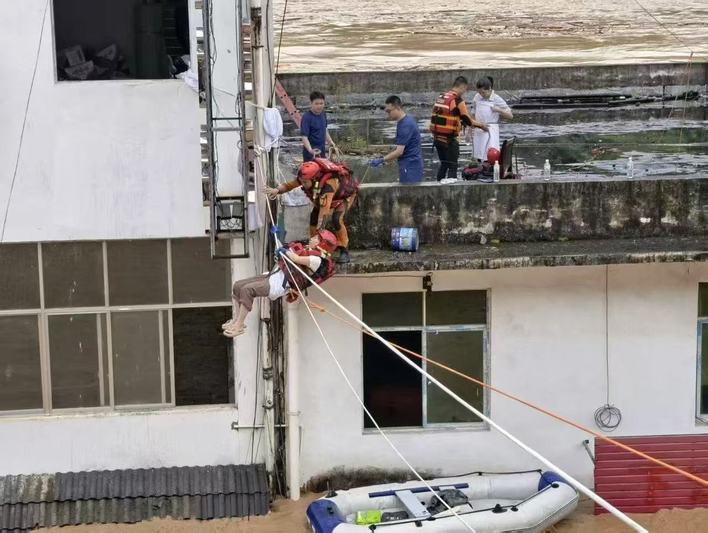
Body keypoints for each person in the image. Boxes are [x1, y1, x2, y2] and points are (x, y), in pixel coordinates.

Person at [222, 230, 337, 338]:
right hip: (274, 275)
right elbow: (289, 252)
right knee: (237, 285)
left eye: (316, 238)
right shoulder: (307, 249)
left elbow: (295, 258)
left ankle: (239, 326)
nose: (312, 238)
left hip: (280, 284)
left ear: (321, 244)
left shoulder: (317, 260)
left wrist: (284, 251)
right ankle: (236, 320)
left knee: (247, 290)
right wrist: (278, 239)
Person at [265, 158, 358, 264]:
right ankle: (314, 247)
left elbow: (323, 214)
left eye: (305, 182)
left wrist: (319, 234)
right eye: (301, 181)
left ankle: (344, 250)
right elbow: (290, 185)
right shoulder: (305, 179)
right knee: (313, 217)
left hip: (343, 198)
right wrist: (277, 190)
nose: (302, 184)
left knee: (336, 219)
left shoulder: (328, 186)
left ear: (314, 179)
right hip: (323, 199)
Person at [430, 76, 488, 181]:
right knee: (453, 165)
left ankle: (438, 185)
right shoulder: (457, 100)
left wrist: (459, 122)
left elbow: (445, 116)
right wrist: (482, 126)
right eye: (465, 89)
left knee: (444, 164)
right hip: (449, 140)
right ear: (462, 87)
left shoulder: (442, 97)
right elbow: (468, 121)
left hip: (437, 138)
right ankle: (452, 187)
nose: (465, 92)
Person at [369, 95, 424, 183]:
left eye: (389, 111)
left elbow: (399, 152)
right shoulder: (405, 121)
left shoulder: (405, 125)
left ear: (397, 107)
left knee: (408, 190)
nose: (388, 114)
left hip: (410, 167)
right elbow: (402, 146)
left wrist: (381, 160)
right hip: (409, 164)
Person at [470, 76, 513, 162]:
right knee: (478, 154)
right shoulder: (477, 97)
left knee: (490, 154)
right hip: (479, 128)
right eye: (479, 92)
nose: (481, 94)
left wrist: (498, 110)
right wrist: (471, 127)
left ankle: (490, 167)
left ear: (489, 89)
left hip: (491, 129)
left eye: (483, 92)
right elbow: (473, 112)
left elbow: (510, 116)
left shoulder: (496, 99)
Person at [300, 90, 339, 162]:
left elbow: (325, 130)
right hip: (311, 154)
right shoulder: (306, 117)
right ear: (311, 103)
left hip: (322, 152)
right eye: (316, 103)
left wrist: (331, 142)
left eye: (321, 103)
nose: (319, 106)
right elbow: (304, 137)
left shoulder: (323, 114)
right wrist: (310, 150)